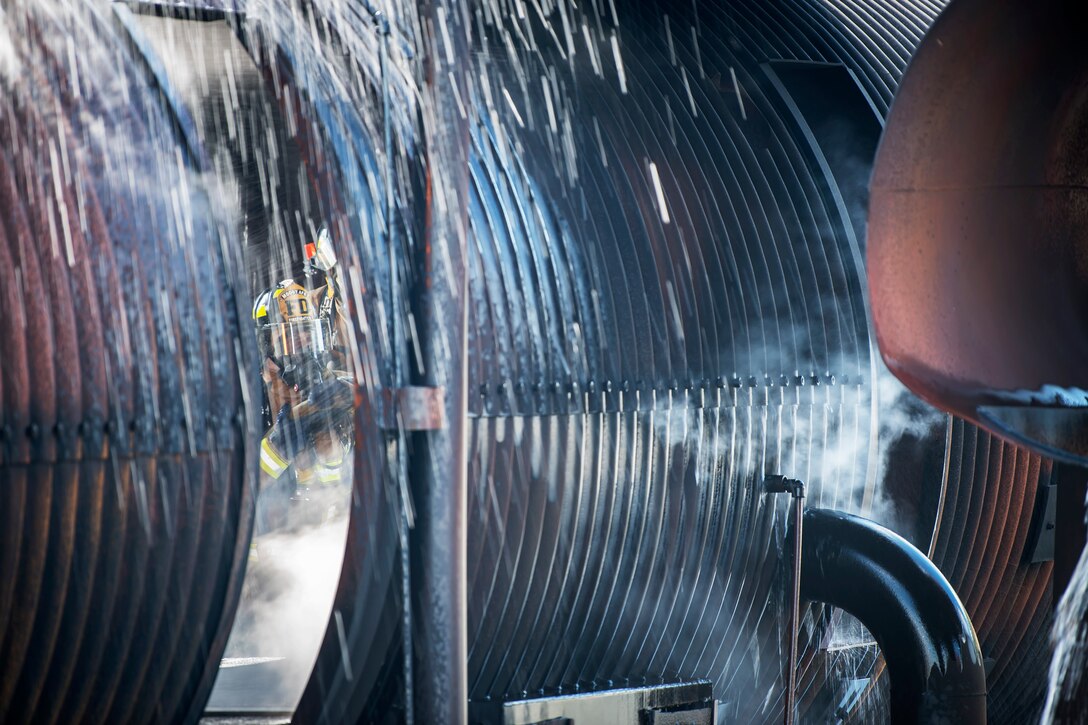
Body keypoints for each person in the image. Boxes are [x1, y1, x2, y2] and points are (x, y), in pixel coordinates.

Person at [251, 228, 354, 531]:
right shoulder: (247, 405)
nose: (304, 345)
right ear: (268, 347)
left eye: (309, 334)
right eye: (292, 337)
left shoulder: (330, 388)